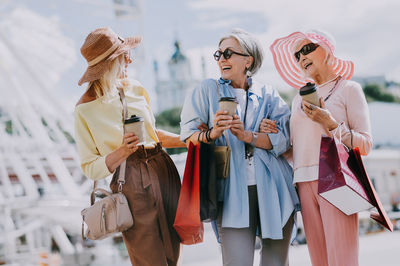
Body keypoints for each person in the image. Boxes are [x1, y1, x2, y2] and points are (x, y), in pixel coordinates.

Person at [180, 29, 300, 266]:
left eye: (228, 53)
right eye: (218, 54)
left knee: (276, 262)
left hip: (274, 189)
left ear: (248, 60)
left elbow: (284, 141)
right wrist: (212, 133)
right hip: (230, 191)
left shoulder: (269, 94)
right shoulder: (207, 90)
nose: (222, 58)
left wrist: (248, 136)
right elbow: (187, 135)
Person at [74, 27, 185, 266]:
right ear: (111, 62)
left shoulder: (135, 87)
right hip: (131, 183)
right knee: (149, 259)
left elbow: (154, 135)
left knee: (172, 255)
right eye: (125, 55)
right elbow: (90, 167)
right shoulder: (85, 109)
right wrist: (123, 150)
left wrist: (191, 138)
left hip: (163, 171)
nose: (130, 59)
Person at [263, 30, 373, 266]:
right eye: (296, 55)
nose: (301, 57)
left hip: (335, 177)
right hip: (303, 181)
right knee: (319, 260)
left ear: (327, 49)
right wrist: (273, 134)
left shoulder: (349, 89)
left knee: (342, 258)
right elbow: (295, 149)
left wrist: (330, 123)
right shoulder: (296, 99)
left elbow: (365, 144)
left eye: (307, 49)